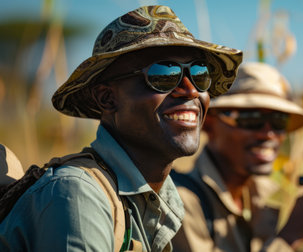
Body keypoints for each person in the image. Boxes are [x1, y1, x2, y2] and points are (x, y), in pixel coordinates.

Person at [0, 5, 242, 251]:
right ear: (107, 98)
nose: (191, 90)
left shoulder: (158, 199)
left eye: (200, 74)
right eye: (164, 75)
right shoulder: (77, 194)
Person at [172, 62, 303, 252]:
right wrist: (291, 236)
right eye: (252, 119)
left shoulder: (263, 200)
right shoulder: (182, 204)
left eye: (279, 121)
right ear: (209, 123)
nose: (269, 134)